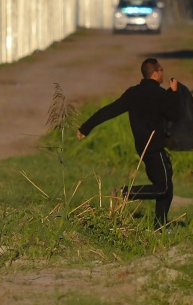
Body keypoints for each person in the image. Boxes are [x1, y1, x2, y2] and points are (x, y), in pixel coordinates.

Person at [76, 57, 179, 229]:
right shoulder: (160, 95)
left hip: (143, 148)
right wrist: (174, 93)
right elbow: (174, 114)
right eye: (161, 70)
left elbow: (110, 110)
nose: (163, 73)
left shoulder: (133, 93)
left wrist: (86, 127)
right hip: (154, 148)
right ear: (154, 74)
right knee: (164, 188)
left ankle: (160, 227)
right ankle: (124, 193)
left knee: (166, 185)